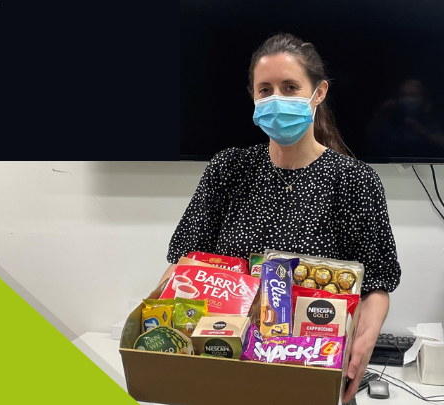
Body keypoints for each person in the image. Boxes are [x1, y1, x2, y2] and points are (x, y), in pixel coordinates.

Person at [159, 33, 401, 404]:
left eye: (290, 88)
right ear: (253, 97)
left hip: (313, 374)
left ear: (318, 93)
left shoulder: (355, 181)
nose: (277, 100)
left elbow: (377, 283)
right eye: (265, 90)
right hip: (225, 365)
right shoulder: (228, 169)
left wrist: (363, 344)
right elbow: (183, 266)